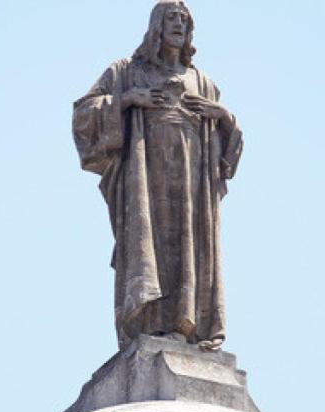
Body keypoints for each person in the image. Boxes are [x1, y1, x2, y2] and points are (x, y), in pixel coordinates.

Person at [73, 0, 243, 351]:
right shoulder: (126, 71)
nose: (179, 24)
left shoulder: (202, 82)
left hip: (193, 178)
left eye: (184, 19)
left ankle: (189, 327)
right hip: (146, 173)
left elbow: (230, 147)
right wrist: (127, 99)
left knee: (191, 244)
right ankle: (150, 324)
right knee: (149, 244)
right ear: (156, 26)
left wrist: (223, 116)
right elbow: (84, 115)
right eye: (171, 18)